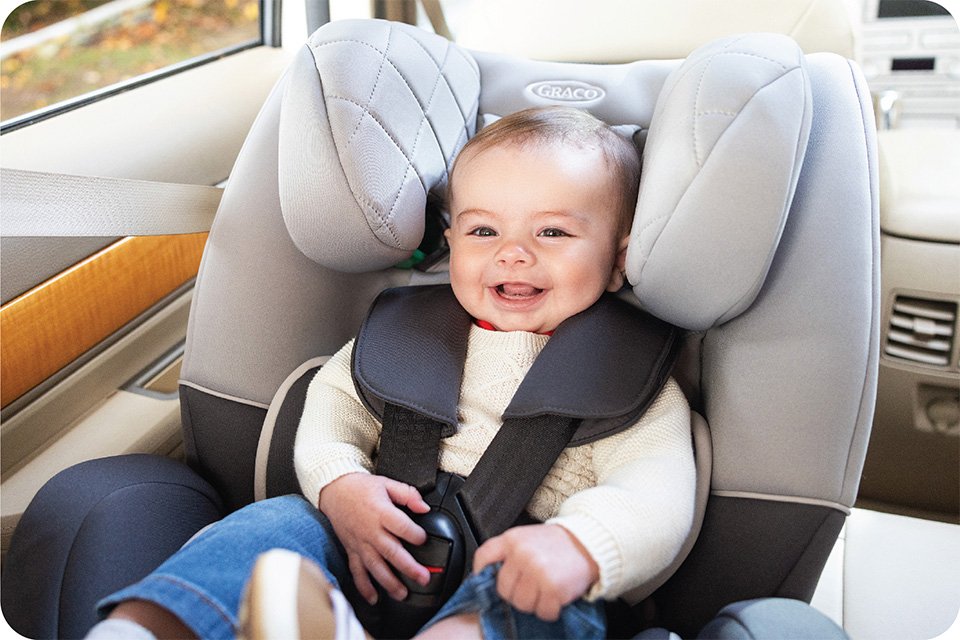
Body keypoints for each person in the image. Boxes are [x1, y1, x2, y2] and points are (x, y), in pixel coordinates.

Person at [86, 106, 695, 640]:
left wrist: (580, 548)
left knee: (540, 608)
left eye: (553, 231)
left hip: (519, 563)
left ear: (618, 261)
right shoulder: (405, 337)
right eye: (484, 230)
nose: (513, 252)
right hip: (365, 546)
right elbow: (333, 408)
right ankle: (145, 628)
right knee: (271, 527)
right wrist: (340, 485)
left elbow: (656, 495)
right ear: (451, 240)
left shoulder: (628, 377)